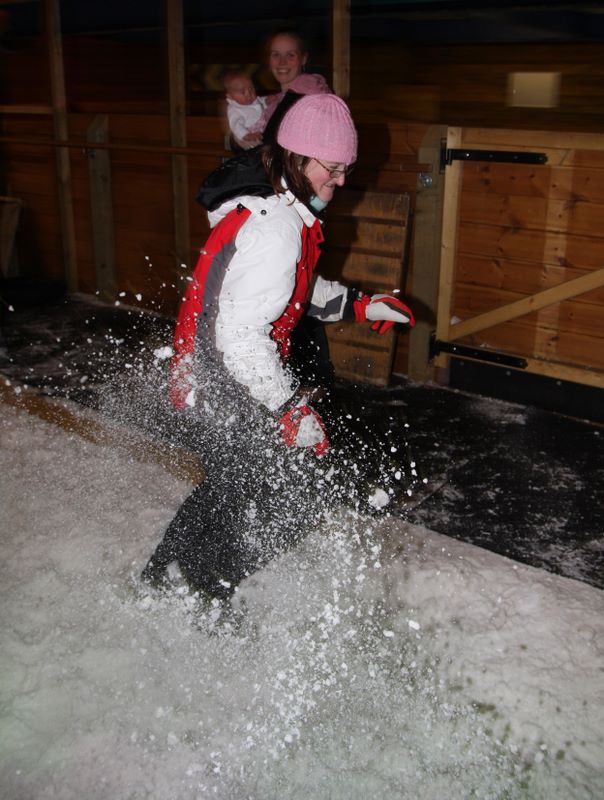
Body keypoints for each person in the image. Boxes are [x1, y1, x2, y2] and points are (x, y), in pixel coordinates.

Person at [141, 94, 414, 600]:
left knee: (229, 486)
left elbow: (291, 289)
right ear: (297, 157)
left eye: (346, 169)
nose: (340, 181)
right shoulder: (276, 228)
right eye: (332, 168)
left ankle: (164, 576)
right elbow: (241, 337)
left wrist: (360, 305)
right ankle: (207, 589)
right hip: (224, 380)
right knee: (292, 492)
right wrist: (289, 409)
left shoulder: (279, 207)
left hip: (209, 373)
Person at [250, 29, 330, 143]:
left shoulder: (309, 90)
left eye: (290, 55)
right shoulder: (275, 101)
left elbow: (270, 140)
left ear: (303, 59)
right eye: (276, 55)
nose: (282, 62)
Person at [222, 69, 266, 151]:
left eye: (251, 89)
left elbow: (261, 100)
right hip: (251, 135)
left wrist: (267, 100)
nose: (249, 94)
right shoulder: (234, 109)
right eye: (243, 92)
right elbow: (236, 125)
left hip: (263, 130)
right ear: (230, 96)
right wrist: (246, 135)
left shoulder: (253, 100)